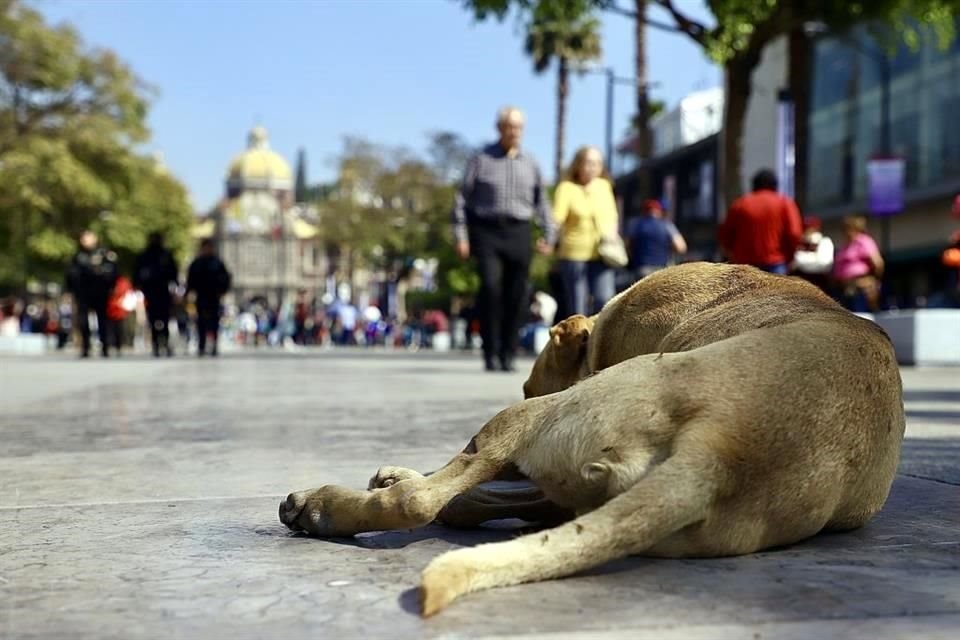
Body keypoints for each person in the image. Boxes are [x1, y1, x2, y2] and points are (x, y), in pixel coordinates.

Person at [452, 106, 556, 372]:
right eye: (509, 126)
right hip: (487, 231)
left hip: (519, 231)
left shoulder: (530, 163)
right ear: (499, 128)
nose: (514, 131)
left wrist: (548, 233)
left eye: (518, 127)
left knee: (517, 295)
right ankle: (491, 351)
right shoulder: (481, 159)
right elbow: (462, 199)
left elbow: (542, 202)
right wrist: (461, 236)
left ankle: (509, 351)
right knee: (490, 288)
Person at [552, 146, 620, 316]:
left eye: (597, 163)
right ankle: (580, 341)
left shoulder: (604, 186)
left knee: (604, 300)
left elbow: (613, 215)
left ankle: (599, 340)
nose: (593, 167)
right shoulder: (566, 188)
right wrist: (549, 240)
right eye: (589, 163)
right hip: (574, 255)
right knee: (578, 306)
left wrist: (612, 233)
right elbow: (557, 219)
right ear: (578, 165)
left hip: (603, 253)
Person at [718, 169, 803, 274]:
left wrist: (732, 255)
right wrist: (790, 257)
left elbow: (725, 234)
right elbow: (794, 233)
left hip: (744, 266)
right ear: (775, 185)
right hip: (775, 264)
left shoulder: (740, 204)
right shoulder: (785, 203)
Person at [66, 230, 118, 358]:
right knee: (83, 321)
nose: (85, 241)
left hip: (100, 292)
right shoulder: (78, 256)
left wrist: (110, 286)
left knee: (103, 321)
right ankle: (85, 347)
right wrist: (71, 289)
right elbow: (71, 274)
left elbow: (112, 272)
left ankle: (105, 347)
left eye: (88, 238)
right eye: (84, 239)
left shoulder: (104, 254)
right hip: (83, 293)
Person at [134, 232, 179, 357]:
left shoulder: (165, 255)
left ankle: (162, 343)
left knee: (163, 318)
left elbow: (173, 273)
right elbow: (138, 273)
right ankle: (157, 344)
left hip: (162, 291)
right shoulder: (145, 256)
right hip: (151, 291)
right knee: (154, 319)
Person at [186, 239, 231, 356]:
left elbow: (226, 278)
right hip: (201, 296)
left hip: (214, 296)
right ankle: (202, 345)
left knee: (214, 321)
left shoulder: (217, 263)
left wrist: (223, 291)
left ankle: (214, 344)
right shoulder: (197, 263)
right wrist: (190, 292)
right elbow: (190, 279)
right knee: (201, 321)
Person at [626, 199, 687, 280]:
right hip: (661, 270)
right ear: (659, 212)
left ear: (643, 211)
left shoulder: (635, 225)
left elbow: (627, 246)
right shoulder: (666, 225)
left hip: (641, 269)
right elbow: (681, 248)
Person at [833, 215, 884, 312]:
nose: (845, 232)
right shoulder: (845, 245)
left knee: (860, 316)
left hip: (861, 286)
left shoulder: (864, 241)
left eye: (848, 228)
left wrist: (874, 280)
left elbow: (878, 263)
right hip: (845, 288)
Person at [790, 216, 834, 292]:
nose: (807, 231)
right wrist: (813, 258)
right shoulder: (799, 243)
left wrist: (800, 260)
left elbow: (824, 263)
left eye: (810, 228)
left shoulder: (824, 241)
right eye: (805, 228)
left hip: (819, 283)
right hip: (800, 283)